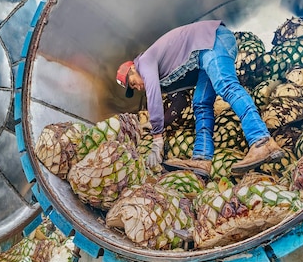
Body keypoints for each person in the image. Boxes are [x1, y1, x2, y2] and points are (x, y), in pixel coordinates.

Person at [115, 20, 283, 177]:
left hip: (213, 41)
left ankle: (262, 141)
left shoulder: (144, 61)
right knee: (200, 103)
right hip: (204, 56)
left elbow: (153, 93)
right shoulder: (162, 73)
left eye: (133, 83)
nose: (138, 88)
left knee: (226, 85)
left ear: (132, 69)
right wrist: (156, 124)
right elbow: (179, 100)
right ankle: (202, 159)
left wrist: (157, 138)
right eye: (134, 89)